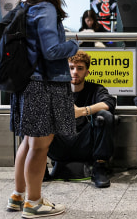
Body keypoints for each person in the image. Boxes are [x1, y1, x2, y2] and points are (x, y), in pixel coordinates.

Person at [6, 0, 79, 218]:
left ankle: (18, 195)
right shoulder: (46, 9)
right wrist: (74, 45)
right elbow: (51, 51)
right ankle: (34, 202)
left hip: (28, 83)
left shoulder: (27, 7)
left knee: (28, 141)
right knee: (40, 145)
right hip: (44, 85)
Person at [47, 50, 116, 188]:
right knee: (35, 117)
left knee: (105, 116)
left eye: (80, 68)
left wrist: (82, 111)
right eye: (71, 68)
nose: (75, 72)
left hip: (85, 143)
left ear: (87, 72)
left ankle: (100, 168)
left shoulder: (95, 89)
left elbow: (109, 103)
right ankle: (40, 169)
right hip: (59, 143)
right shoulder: (56, 90)